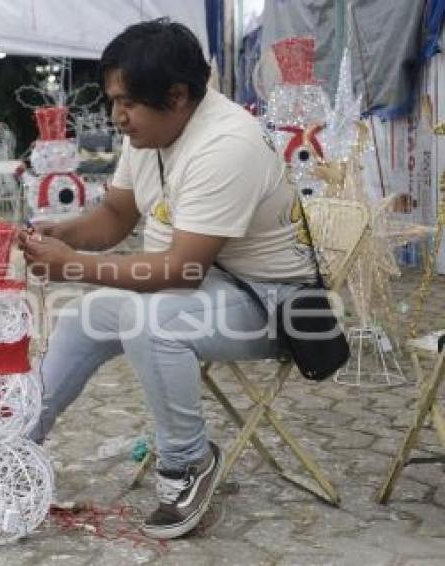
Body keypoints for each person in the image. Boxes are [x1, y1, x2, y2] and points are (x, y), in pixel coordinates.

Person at [18, 19, 316, 539]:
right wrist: (62, 231)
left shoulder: (227, 144)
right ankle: (16, 442)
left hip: (276, 306)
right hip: (208, 291)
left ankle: (187, 464)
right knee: (85, 316)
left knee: (149, 317)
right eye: (113, 101)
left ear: (177, 96)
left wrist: (71, 264)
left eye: (126, 103)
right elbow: (114, 218)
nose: (117, 117)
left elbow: (180, 270)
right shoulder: (151, 131)